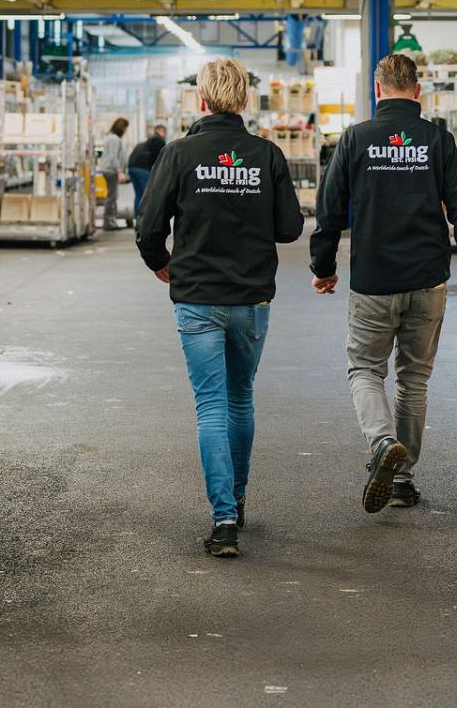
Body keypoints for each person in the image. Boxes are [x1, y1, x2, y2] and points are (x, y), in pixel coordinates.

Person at [310, 52, 457, 514]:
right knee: (414, 381)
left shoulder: (355, 138)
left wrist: (323, 266)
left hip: (374, 278)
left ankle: (381, 442)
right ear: (417, 91)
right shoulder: (436, 139)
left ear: (377, 91)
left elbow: (330, 208)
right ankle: (402, 478)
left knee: (366, 371)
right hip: (427, 278)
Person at [137, 59, 302, 559]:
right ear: (245, 101)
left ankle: (224, 517)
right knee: (240, 398)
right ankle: (240, 496)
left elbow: (148, 227)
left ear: (201, 101)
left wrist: (162, 264)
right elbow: (291, 228)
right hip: (251, 298)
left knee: (210, 405)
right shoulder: (267, 155)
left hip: (197, 298)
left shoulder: (179, 154)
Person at [125, 123, 168, 224]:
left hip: (132, 167)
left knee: (139, 195)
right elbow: (160, 159)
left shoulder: (147, 141)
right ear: (162, 131)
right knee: (147, 195)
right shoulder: (159, 141)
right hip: (142, 168)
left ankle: (138, 219)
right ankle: (146, 221)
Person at [97, 116, 130, 229]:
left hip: (110, 170)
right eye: (125, 128)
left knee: (112, 196)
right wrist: (120, 171)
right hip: (111, 171)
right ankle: (109, 222)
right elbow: (113, 157)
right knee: (112, 197)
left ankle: (110, 221)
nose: (126, 131)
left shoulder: (111, 138)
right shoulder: (114, 139)